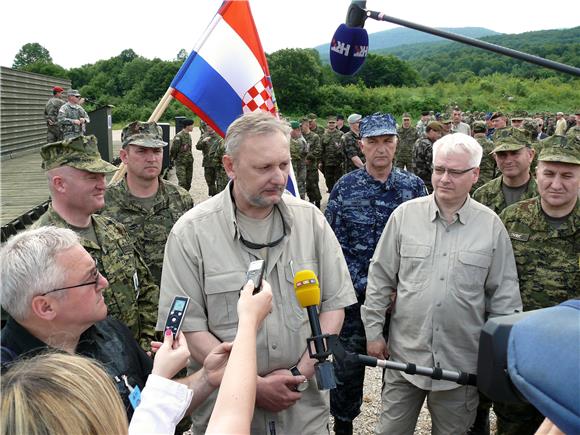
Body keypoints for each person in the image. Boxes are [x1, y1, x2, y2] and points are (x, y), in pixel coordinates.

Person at [157, 111, 357, 435]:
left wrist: (298, 374)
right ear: (229, 166)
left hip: (303, 414)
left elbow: (334, 308)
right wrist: (253, 385)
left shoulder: (312, 222)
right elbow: (190, 331)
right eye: (264, 167)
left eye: (283, 164)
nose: (278, 177)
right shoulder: (190, 234)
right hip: (228, 418)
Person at [362, 133, 522, 435]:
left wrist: (495, 357)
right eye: (439, 170)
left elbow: (504, 298)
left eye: (455, 172)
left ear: (474, 174)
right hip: (403, 360)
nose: (444, 179)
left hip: (460, 367)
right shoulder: (404, 217)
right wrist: (373, 332)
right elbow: (380, 277)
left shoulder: (490, 226)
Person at [0, 226, 231, 424]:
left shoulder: (110, 332)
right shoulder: (12, 390)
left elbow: (155, 409)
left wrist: (207, 377)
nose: (104, 282)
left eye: (97, 269)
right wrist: (161, 378)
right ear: (46, 307)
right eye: (89, 278)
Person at [325, 113, 427, 435]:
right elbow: (332, 249)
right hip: (355, 303)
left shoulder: (414, 188)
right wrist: (370, 290)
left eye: (387, 141)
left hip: (402, 305)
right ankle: (343, 427)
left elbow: (425, 246)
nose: (380, 149)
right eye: (373, 142)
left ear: (396, 144)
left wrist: (397, 292)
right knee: (345, 374)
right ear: (361, 145)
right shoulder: (345, 188)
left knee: (398, 379)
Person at [32, 135, 159, 348]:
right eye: (92, 177)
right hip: (86, 372)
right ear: (60, 183)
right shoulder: (38, 247)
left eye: (103, 176)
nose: (103, 185)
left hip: (135, 361)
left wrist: (144, 346)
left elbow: (145, 288)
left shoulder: (113, 230)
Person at [495, 136, 579, 435]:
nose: (556, 183)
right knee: (512, 426)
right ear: (538, 172)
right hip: (520, 348)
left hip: (571, 357)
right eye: (549, 173)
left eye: (567, 175)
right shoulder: (513, 218)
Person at [102, 121, 193, 286]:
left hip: (171, 297)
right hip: (126, 304)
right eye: (142, 151)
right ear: (124, 156)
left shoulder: (181, 199)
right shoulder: (104, 203)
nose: (151, 158)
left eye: (157, 151)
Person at [473, 128, 538, 215]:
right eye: (502, 154)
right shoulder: (482, 195)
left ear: (530, 155)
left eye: (514, 153)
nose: (508, 161)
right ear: (495, 157)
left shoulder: (544, 195)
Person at [413, 120, 443, 192]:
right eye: (438, 133)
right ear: (431, 131)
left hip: (417, 178)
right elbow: (433, 167)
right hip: (427, 182)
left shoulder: (419, 140)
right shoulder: (429, 146)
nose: (439, 136)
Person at [196, 123, 226, 196]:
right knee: (209, 181)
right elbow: (198, 147)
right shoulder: (204, 136)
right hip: (208, 163)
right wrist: (203, 142)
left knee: (220, 181)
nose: (209, 127)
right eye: (207, 126)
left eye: (210, 125)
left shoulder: (219, 136)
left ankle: (220, 195)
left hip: (218, 164)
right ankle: (214, 195)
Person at [320, 115, 345, 193]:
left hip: (338, 162)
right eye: (330, 123)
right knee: (328, 179)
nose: (331, 124)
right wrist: (320, 161)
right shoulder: (324, 135)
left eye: (333, 123)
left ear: (336, 124)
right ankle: (331, 193)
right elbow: (321, 149)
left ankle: (338, 194)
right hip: (327, 162)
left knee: (339, 179)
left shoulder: (341, 134)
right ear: (327, 124)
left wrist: (343, 160)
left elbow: (344, 147)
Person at [301, 116, 322, 207]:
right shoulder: (300, 136)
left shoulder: (314, 136)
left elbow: (318, 150)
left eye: (302, 126)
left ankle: (317, 203)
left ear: (307, 126)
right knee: (306, 186)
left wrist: (308, 158)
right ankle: (310, 202)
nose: (300, 127)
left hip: (311, 166)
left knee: (313, 185)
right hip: (301, 166)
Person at [170, 118, 194, 192]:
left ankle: (186, 196)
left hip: (189, 162)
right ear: (187, 126)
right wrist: (174, 159)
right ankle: (181, 198)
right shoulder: (179, 136)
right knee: (182, 182)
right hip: (181, 162)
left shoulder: (188, 135)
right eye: (192, 125)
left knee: (188, 182)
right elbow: (174, 149)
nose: (193, 127)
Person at [471, 120, 496, 191]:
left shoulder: (468, 145)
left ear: (473, 131)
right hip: (488, 180)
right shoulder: (492, 145)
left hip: (472, 179)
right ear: (486, 131)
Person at [289, 120, 309, 199]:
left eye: (290, 130)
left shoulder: (300, 141)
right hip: (295, 169)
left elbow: (294, 150)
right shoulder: (296, 138)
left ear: (296, 130)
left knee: (299, 187)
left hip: (298, 170)